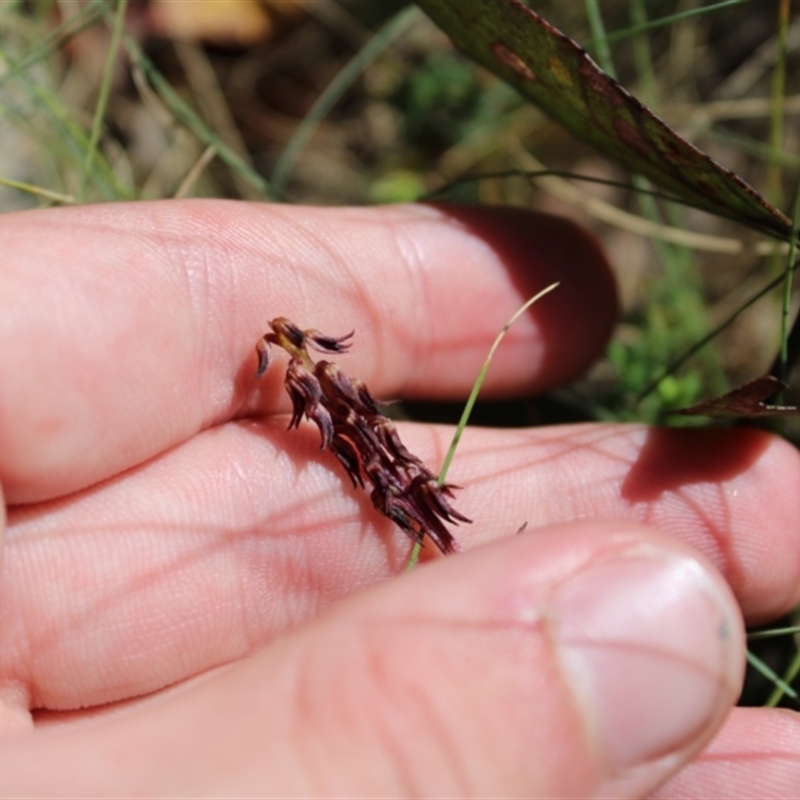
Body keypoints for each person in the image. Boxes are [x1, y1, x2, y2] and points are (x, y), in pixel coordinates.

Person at [0, 200, 797, 797]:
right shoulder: (313, 389)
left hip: (383, 469)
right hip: (374, 476)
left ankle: (435, 524)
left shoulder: (322, 383)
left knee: (401, 481)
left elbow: (365, 436)